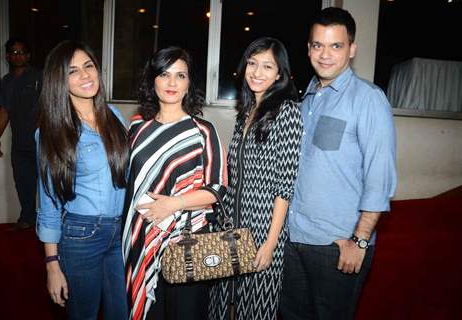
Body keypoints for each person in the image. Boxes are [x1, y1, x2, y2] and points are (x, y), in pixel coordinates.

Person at [280, 7, 397, 320]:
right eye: (318, 45)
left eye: (336, 45)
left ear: (352, 49)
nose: (325, 54)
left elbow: (379, 177)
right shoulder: (304, 101)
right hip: (293, 240)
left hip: (337, 244)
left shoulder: (368, 98)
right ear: (308, 49)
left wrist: (359, 241)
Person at [121, 46, 227, 320]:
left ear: (189, 83)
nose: (171, 83)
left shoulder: (202, 130)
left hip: (186, 241)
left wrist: (175, 203)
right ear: (152, 79)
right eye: (164, 74)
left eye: (180, 76)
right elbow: (128, 183)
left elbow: (217, 188)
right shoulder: (136, 127)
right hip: (143, 239)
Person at [209, 37, 303, 320]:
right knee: (223, 302)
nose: (257, 72)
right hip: (233, 225)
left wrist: (271, 242)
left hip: (263, 228)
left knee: (256, 308)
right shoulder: (247, 113)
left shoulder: (288, 113)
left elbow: (285, 186)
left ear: (279, 73)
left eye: (267, 66)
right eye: (252, 63)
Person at [36, 40, 129, 320]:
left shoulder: (113, 115)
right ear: (59, 81)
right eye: (72, 71)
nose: (85, 75)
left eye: (88, 66)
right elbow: (49, 202)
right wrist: (52, 265)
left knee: (120, 313)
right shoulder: (51, 132)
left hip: (120, 232)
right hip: (80, 235)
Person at [0, 37, 42, 230]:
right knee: (23, 183)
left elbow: (49, 105)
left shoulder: (40, 77)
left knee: (48, 186)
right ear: (7, 56)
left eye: (22, 52)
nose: (18, 55)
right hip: (19, 144)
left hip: (41, 142)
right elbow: (4, 110)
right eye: (14, 52)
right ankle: (27, 218)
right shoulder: (6, 82)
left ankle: (50, 223)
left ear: (28, 55)